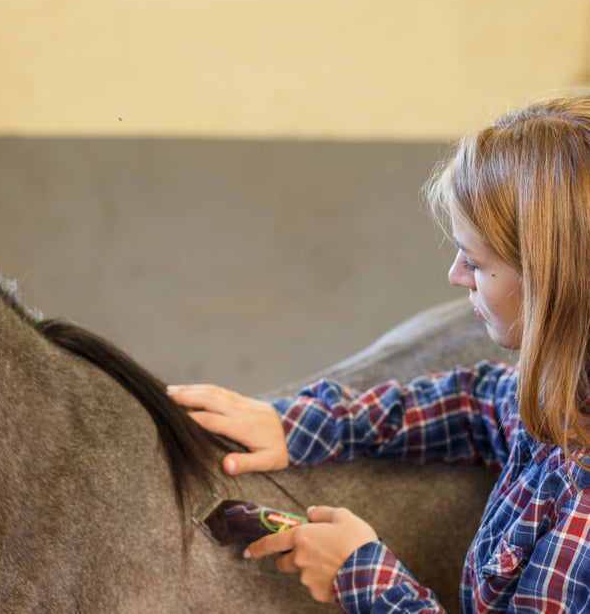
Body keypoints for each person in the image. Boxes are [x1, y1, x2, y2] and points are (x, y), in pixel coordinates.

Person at [169, 95, 590, 612]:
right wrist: (307, 425)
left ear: (553, 284)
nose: (455, 275)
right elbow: (478, 401)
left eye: (477, 262)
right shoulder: (564, 396)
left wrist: (362, 574)